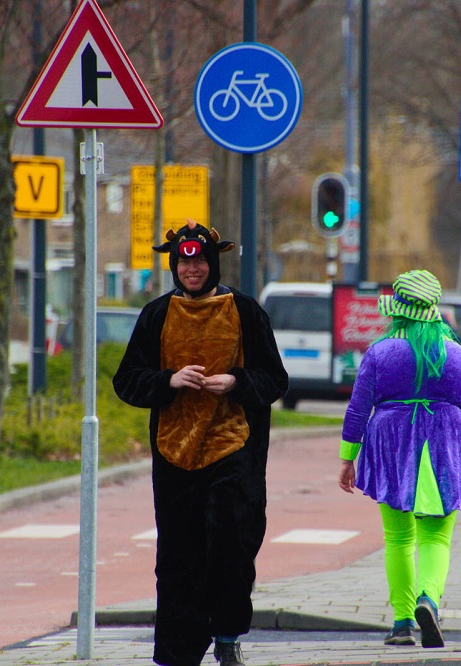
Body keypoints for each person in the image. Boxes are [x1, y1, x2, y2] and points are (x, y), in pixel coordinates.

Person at [113, 220, 288, 666]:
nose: (192, 268)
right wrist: (168, 380)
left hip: (233, 445)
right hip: (175, 451)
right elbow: (127, 381)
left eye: (200, 260)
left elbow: (275, 379)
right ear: (175, 266)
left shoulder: (245, 311)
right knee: (178, 556)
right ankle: (179, 651)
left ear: (213, 263)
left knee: (230, 543)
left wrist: (236, 380)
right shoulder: (156, 314)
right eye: (185, 261)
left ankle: (227, 633)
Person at [337, 269, 461, 648]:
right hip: (446, 442)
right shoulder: (456, 353)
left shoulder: (379, 352)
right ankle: (429, 599)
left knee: (397, 537)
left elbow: (357, 411)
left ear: (397, 312)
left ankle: (401, 622)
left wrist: (347, 458)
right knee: (436, 537)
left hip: (390, 441)